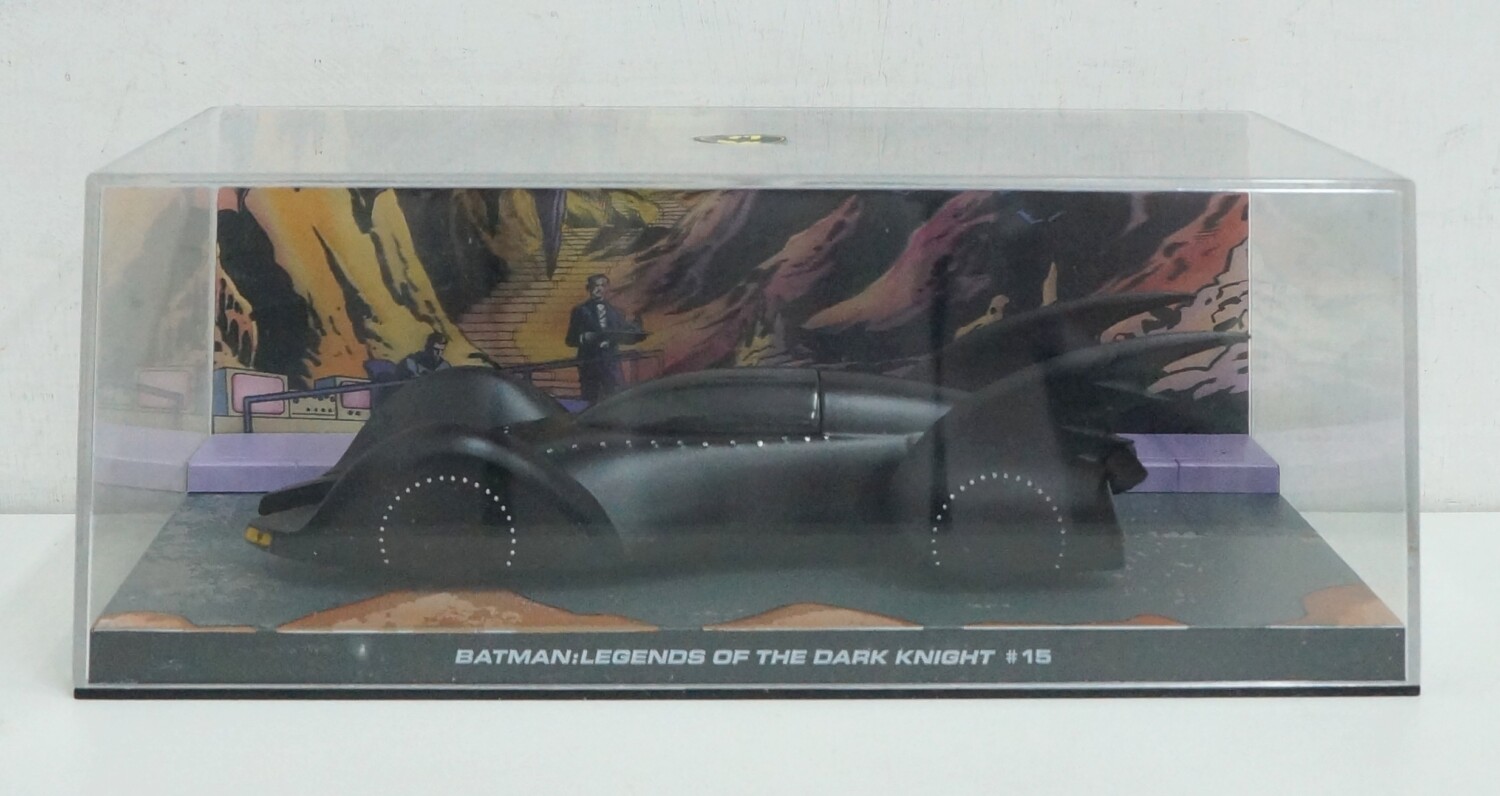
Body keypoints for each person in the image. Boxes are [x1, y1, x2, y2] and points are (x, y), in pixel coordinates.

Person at [565, 274, 635, 402]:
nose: (599, 289)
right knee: (591, 400)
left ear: (607, 288)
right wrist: (585, 338)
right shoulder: (580, 311)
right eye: (595, 286)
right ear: (588, 288)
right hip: (589, 365)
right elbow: (570, 340)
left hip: (611, 365)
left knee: (616, 400)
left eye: (602, 286)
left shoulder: (617, 312)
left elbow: (624, 333)